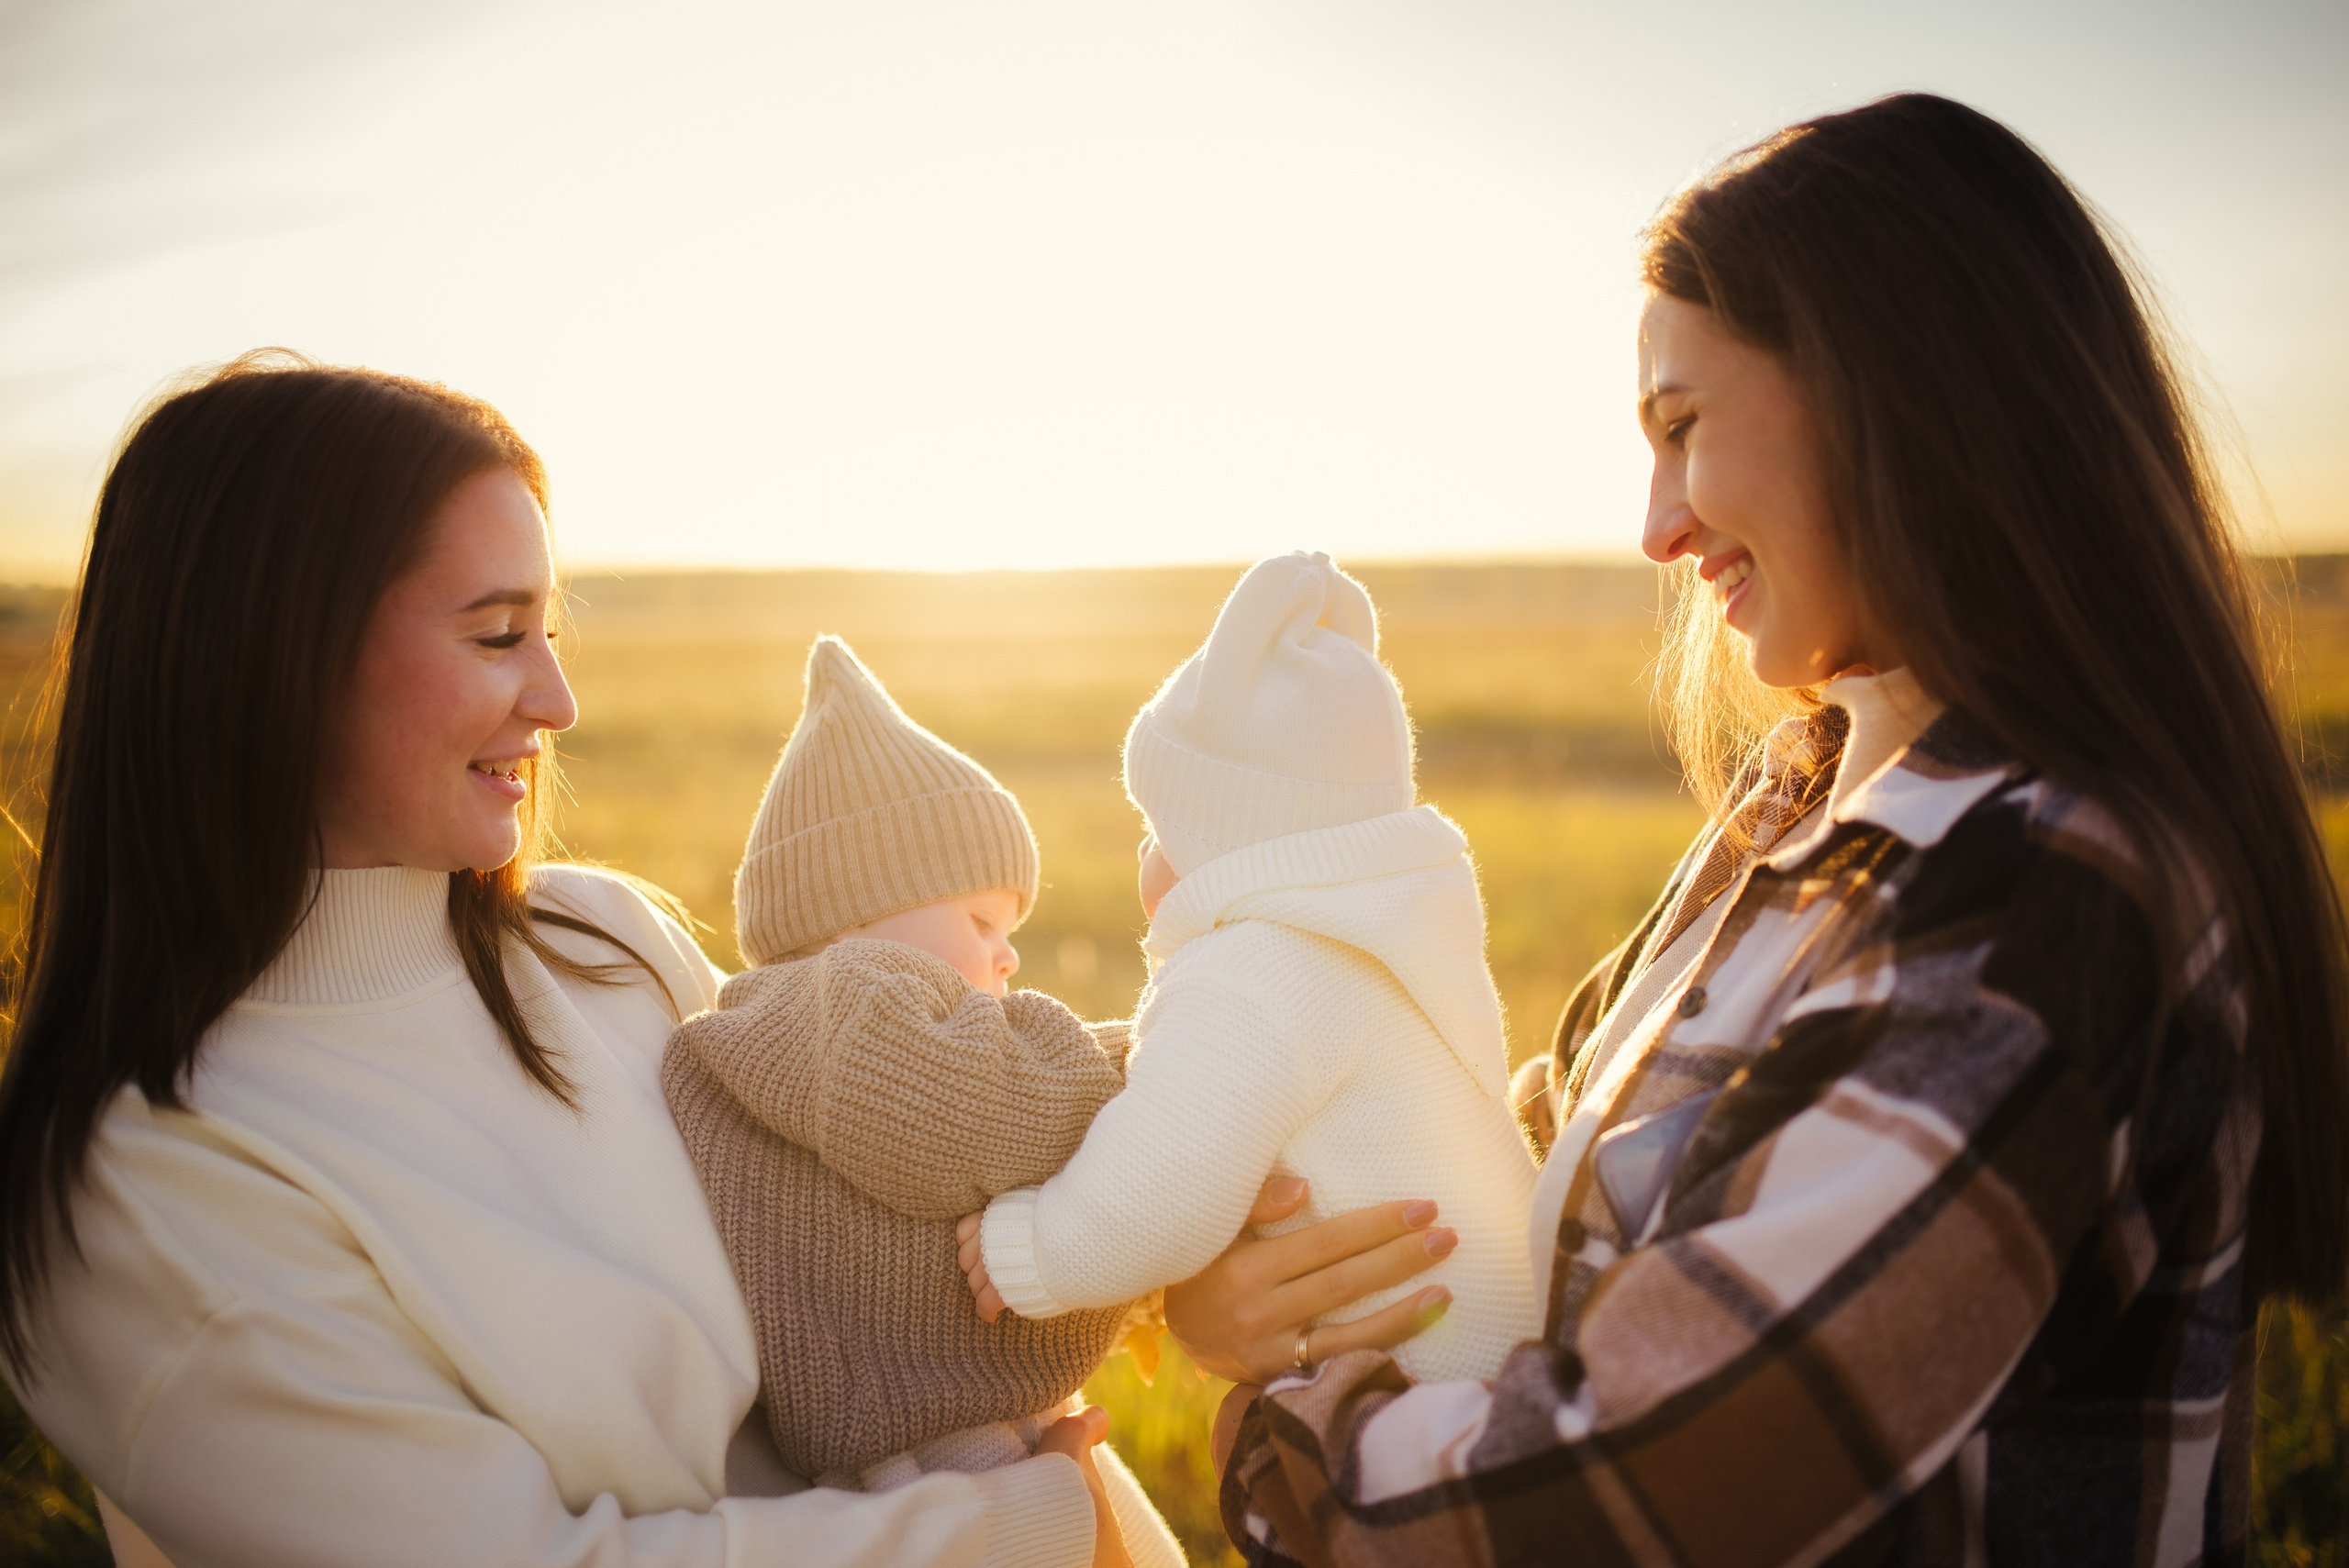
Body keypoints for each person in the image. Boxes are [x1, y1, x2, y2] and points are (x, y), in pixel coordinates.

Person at [1178, 93, 2349, 1565]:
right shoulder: (1806, 799)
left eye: (1683, 428)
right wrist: (1264, 1236)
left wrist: (1277, 1417)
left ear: (1895, 397)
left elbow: (1663, 1477)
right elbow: (1549, 1163)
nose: (1658, 529)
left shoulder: (2045, 892)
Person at [0, 353, 1130, 1568]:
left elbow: (893, 1265)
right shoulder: (136, 1193)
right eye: (499, 636)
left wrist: (1180, 1238)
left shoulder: (608, 943)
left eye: (551, 628)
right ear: (274, 655)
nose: (560, 698)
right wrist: (1026, 1525)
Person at [661, 634, 1184, 1565]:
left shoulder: (796, 1032)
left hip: (938, 1423)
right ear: (854, 913)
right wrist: (1158, 1059)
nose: (1007, 953)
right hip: (929, 1447)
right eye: (980, 919)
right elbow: (999, 1112)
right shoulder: (843, 1004)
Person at [960, 551, 1542, 1385]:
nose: (1146, 852)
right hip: (1501, 1355)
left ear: (1221, 838)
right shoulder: (1382, 946)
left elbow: (1160, 1185)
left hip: (1431, 1395)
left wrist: (1035, 1247)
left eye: (1160, 826)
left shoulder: (1252, 971)